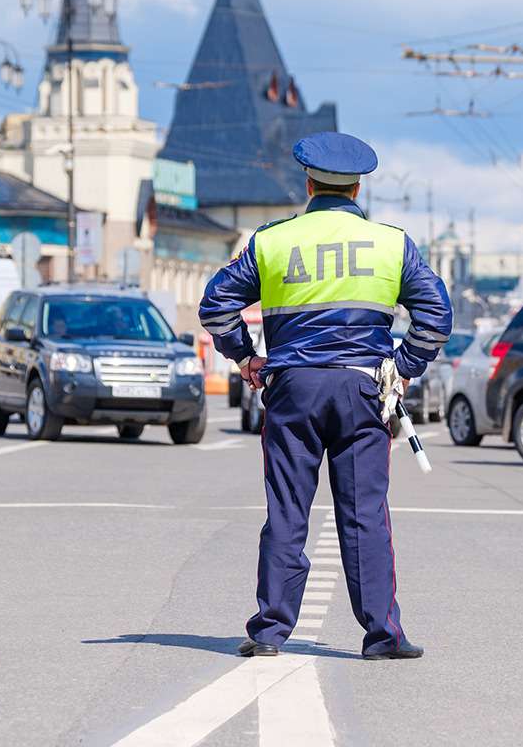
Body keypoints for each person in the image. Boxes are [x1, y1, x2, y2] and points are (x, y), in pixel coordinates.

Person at [199, 131, 453, 660]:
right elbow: (436, 315)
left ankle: (269, 631)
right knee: (364, 513)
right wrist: (404, 368)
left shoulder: (271, 241)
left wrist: (245, 357)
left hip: (293, 389)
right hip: (363, 388)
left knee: (287, 509)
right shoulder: (392, 243)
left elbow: (217, 305)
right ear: (358, 188)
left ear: (308, 183)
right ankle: (383, 636)